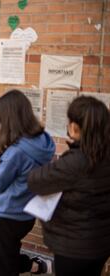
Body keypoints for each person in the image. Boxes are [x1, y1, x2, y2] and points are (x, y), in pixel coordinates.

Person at [0, 90, 55, 276]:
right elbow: (22, 160)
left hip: (10, 215)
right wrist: (2, 142)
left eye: (0, 120)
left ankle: (33, 266)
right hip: (24, 213)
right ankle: (33, 266)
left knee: (2, 269)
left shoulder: (17, 152)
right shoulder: (41, 139)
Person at [28, 96, 110, 276]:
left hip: (75, 247)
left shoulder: (77, 161)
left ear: (75, 126)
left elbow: (36, 181)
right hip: (102, 243)